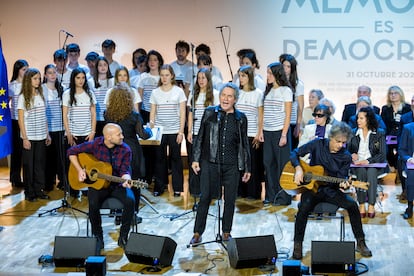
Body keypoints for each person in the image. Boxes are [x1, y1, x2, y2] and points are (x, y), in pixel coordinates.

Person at [290, 122, 372, 259]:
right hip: (311, 189)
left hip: (331, 190)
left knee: (352, 205)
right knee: (303, 208)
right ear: (330, 137)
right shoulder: (317, 144)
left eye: (343, 142)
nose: (340, 145)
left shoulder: (345, 157)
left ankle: (360, 242)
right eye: (337, 141)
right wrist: (298, 168)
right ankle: (297, 245)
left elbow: (342, 178)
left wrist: (344, 184)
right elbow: (294, 153)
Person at [189, 82, 251, 244]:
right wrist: (195, 159)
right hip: (210, 162)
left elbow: (244, 144)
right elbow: (200, 137)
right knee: (205, 198)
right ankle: (197, 232)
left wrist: (246, 167)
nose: (225, 98)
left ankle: (226, 232)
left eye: (229, 96)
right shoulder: (210, 113)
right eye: (223, 95)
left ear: (235, 99)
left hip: (231, 165)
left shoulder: (241, 118)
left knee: (229, 199)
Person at [67, 123, 135, 250]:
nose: (122, 136)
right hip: (98, 185)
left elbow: (125, 170)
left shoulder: (126, 149)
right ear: (108, 137)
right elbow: (71, 152)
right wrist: (80, 170)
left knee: (130, 201)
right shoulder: (95, 144)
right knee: (93, 204)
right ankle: (98, 237)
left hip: (117, 185)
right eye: (119, 134)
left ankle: (123, 236)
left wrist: (127, 178)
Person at [105, 86, 152, 211]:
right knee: (133, 182)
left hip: (114, 151)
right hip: (131, 151)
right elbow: (143, 135)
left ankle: (116, 212)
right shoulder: (134, 116)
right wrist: (150, 130)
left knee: (116, 181)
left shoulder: (107, 115)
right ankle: (133, 213)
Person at [149, 64, 187, 196]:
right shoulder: (155, 92)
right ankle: (160, 186)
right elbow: (153, 112)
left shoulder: (179, 91)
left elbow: (183, 112)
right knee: (159, 159)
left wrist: (181, 131)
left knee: (176, 159)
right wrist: (152, 128)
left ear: (172, 76)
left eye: (167, 75)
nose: (164, 78)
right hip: (160, 132)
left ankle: (177, 188)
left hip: (175, 130)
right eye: (162, 75)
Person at [260, 62, 292, 206]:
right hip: (268, 131)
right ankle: (270, 195)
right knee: (268, 164)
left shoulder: (286, 91)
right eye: (267, 73)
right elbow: (264, 113)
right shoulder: (267, 91)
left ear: (277, 74)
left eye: (270, 73)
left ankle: (283, 197)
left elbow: (288, 114)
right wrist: (261, 131)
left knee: (282, 166)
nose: (267, 76)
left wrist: (284, 134)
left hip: (280, 131)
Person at [18, 68, 51, 202]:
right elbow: (21, 119)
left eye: (39, 78)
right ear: (28, 80)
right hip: (29, 137)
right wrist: (25, 138)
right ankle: (29, 192)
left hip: (41, 135)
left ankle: (39, 190)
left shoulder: (41, 95)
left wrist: (47, 134)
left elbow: (44, 117)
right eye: (35, 78)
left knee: (39, 165)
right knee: (29, 165)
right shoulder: (23, 97)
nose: (38, 81)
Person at [348, 106, 386, 218]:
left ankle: (371, 204)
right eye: (358, 118)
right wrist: (351, 155)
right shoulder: (353, 133)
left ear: (368, 119)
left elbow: (382, 154)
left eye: (361, 118)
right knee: (361, 171)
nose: (358, 121)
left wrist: (367, 161)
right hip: (357, 165)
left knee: (371, 172)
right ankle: (361, 204)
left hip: (374, 164)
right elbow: (345, 151)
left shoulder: (379, 133)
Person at [187, 68, 219, 197]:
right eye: (199, 78)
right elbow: (190, 114)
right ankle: (195, 191)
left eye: (203, 78)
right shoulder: (194, 94)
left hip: (210, 134)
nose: (201, 80)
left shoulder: (215, 94)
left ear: (208, 79)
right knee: (195, 161)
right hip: (196, 133)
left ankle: (211, 191)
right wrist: (189, 130)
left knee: (210, 163)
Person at [235, 65, 264, 199]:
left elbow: (260, 116)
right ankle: (240, 191)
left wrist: (259, 133)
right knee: (239, 163)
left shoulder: (258, 93)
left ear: (250, 77)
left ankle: (253, 193)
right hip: (238, 134)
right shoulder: (237, 93)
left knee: (252, 164)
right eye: (240, 75)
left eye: (243, 76)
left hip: (252, 134)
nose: (241, 78)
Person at [42, 64, 65, 191]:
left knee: (61, 158)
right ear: (45, 75)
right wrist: (46, 133)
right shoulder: (41, 89)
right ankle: (48, 182)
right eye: (49, 73)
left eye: (54, 72)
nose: (52, 75)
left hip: (60, 128)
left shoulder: (62, 89)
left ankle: (62, 181)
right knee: (49, 158)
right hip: (48, 129)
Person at [8, 59, 28, 188]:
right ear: (18, 70)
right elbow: (6, 102)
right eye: (24, 70)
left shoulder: (28, 84)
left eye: (27, 69)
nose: (26, 72)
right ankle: (15, 178)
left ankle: (28, 178)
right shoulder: (12, 85)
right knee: (16, 151)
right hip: (15, 120)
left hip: (27, 121)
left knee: (26, 150)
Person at [279, 54, 304, 149]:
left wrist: (298, 125)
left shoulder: (298, 84)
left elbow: (300, 107)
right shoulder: (278, 83)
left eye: (288, 67)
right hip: (279, 121)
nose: (285, 69)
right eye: (283, 66)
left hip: (292, 121)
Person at [92, 56, 114, 137]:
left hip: (110, 117)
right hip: (96, 118)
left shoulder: (113, 81)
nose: (103, 67)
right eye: (100, 65)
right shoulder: (91, 82)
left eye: (105, 65)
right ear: (96, 67)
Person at [398, 122, 414, 219]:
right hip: (412, 162)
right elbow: (401, 149)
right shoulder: (408, 128)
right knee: (412, 174)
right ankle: (410, 206)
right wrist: (409, 159)